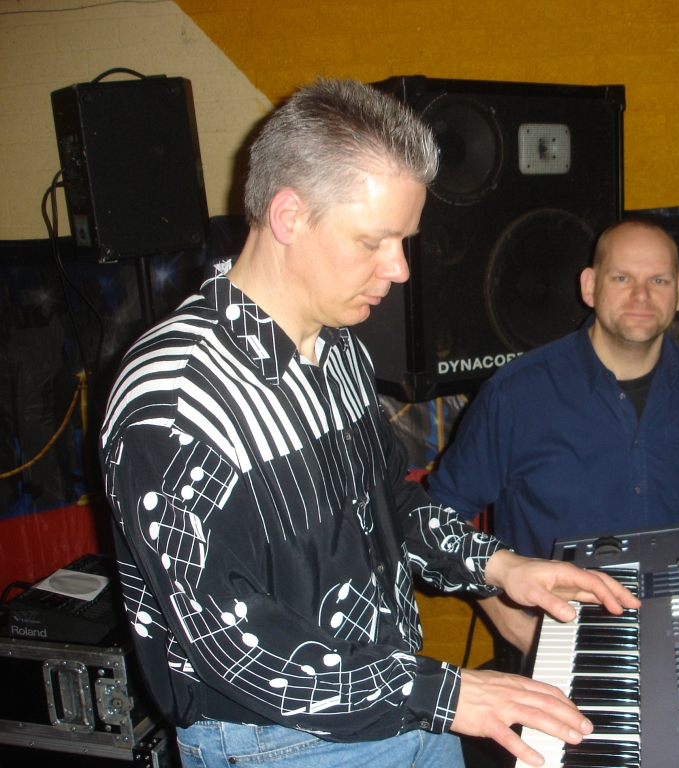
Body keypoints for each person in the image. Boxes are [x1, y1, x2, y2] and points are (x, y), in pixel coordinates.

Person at [99, 78, 638, 768]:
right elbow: (229, 644)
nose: (401, 269)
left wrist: (500, 567)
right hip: (280, 745)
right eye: (374, 240)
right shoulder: (173, 397)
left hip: (404, 699)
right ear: (289, 215)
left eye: (404, 240)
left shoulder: (340, 350)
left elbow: (389, 506)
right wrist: (444, 693)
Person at [429, 218, 679, 652]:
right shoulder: (517, 394)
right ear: (590, 286)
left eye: (659, 280)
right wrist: (512, 623)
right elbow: (441, 518)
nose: (641, 295)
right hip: (555, 638)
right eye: (622, 278)